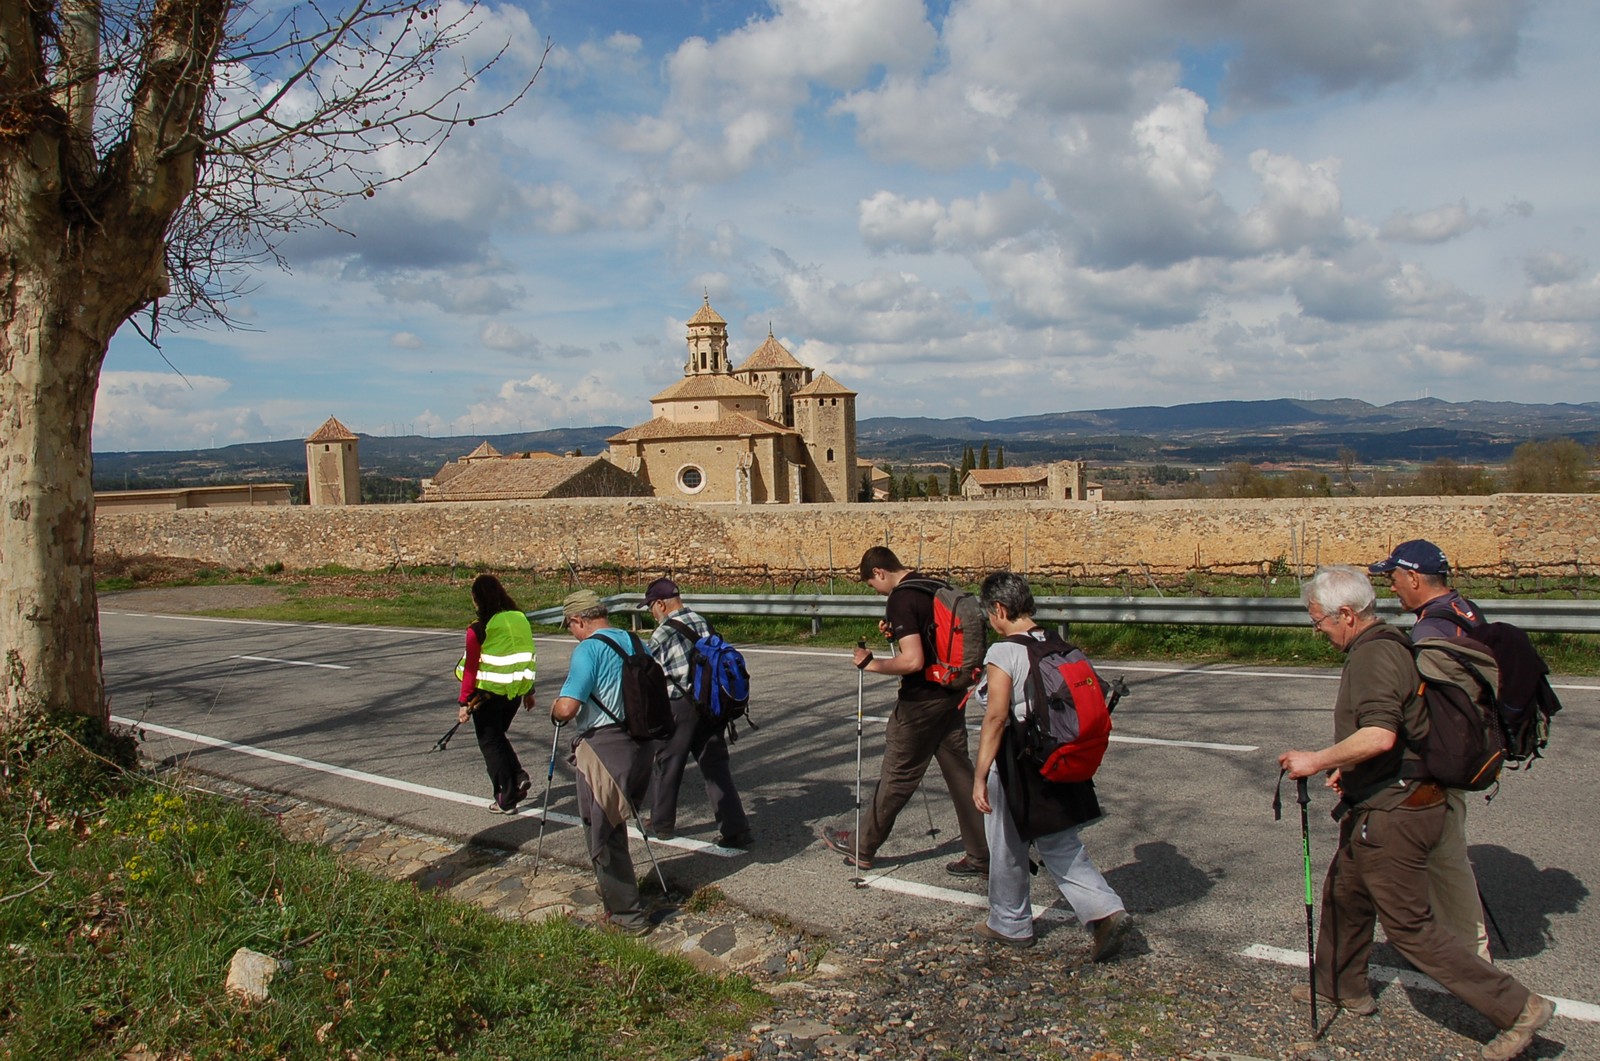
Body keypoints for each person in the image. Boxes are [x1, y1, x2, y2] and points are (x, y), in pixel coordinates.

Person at [1279, 566, 1551, 1061]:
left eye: (1319, 621)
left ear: (1346, 614)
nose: (1318, 631)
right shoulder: (1387, 644)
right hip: (1381, 801)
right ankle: (1341, 986)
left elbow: (1380, 734)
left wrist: (1315, 760)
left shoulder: (1374, 655)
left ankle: (1518, 1009)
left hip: (1396, 812)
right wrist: (1348, 769)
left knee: (1409, 926)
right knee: (1345, 895)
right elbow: (1401, 730)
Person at [969, 571, 1131, 958]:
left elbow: (996, 717)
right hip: (1056, 755)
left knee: (1005, 842)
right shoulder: (1058, 643)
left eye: (990, 614)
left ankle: (1009, 922)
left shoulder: (1004, 652)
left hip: (1018, 761)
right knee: (1060, 841)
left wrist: (980, 774)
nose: (991, 621)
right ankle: (1105, 912)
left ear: (999, 609)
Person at [820, 546, 989, 875]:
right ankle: (983, 854)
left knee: (898, 776)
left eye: (873, 585)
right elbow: (930, 639)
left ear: (879, 572)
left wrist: (871, 664)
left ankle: (861, 845)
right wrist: (896, 632)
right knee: (961, 775)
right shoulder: (931, 585)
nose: (877, 591)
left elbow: (913, 661)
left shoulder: (901, 598)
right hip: (951, 694)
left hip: (920, 704)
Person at [1369, 538, 1491, 961]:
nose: (1392, 587)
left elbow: (1429, 708)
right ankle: (1446, 946)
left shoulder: (1429, 630)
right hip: (1470, 750)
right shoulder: (1464, 610)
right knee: (1441, 859)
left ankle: (1473, 966)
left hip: (1444, 760)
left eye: (1394, 578)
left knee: (1447, 863)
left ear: (1414, 577)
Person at [550, 588, 658, 936]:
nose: (572, 632)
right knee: (615, 820)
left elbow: (568, 707)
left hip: (604, 748)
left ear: (578, 620)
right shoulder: (636, 642)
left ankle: (627, 916)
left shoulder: (588, 649)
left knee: (602, 829)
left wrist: (556, 709)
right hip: (641, 743)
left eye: (570, 626)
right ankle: (613, 890)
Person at [642, 577, 753, 848]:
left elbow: (647, 671)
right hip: (710, 704)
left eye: (651, 607)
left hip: (679, 704)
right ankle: (735, 828)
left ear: (661, 604)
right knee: (716, 767)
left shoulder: (663, 633)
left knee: (668, 764)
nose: (651, 613)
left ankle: (661, 823)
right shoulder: (702, 622)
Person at [454, 573, 535, 813]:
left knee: (490, 743)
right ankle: (518, 776)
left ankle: (505, 798)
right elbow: (526, 655)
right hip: (514, 693)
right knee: (497, 737)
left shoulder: (478, 628)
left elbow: (471, 669)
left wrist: (464, 702)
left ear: (477, 599)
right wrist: (529, 691)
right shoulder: (519, 619)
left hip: (487, 695)